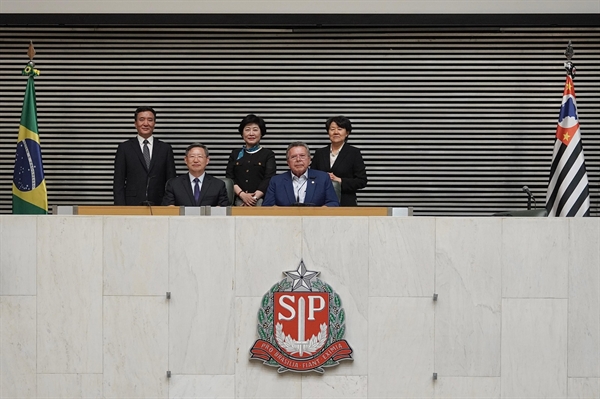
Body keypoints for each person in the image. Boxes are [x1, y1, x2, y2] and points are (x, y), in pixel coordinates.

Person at [113, 106, 176, 205]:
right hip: (131, 204)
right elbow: (118, 182)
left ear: (154, 123)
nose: (146, 123)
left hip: (159, 204)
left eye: (150, 120)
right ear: (135, 123)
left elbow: (171, 181)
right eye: (141, 120)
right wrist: (120, 207)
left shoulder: (165, 149)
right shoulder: (124, 148)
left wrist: (168, 204)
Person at [310, 115, 367, 206]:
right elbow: (311, 177)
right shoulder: (320, 153)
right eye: (332, 129)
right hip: (321, 203)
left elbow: (362, 181)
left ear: (347, 133)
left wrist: (339, 180)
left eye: (340, 129)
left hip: (346, 202)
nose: (336, 132)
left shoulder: (354, 153)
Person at [263, 142, 339, 207]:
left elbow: (333, 203)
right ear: (288, 163)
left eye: (302, 156)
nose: (298, 160)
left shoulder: (323, 178)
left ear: (309, 160)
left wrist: (318, 212)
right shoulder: (276, 181)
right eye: (293, 157)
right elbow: (267, 206)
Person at [226, 114, 276, 206]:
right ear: (242, 133)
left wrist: (253, 198)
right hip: (238, 200)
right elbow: (230, 178)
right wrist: (242, 195)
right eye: (247, 129)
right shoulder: (235, 154)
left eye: (255, 130)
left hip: (261, 200)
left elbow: (269, 178)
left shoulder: (268, 154)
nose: (251, 133)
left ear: (261, 133)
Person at [162, 143, 229, 206]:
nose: (196, 160)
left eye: (200, 156)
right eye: (192, 156)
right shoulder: (173, 184)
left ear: (207, 160)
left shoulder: (218, 185)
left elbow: (224, 208)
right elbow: (168, 208)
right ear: (185, 160)